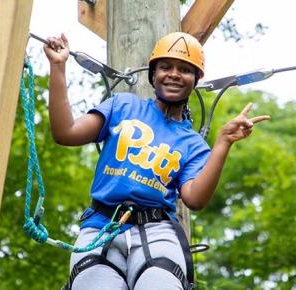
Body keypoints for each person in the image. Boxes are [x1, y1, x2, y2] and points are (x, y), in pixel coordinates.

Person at [43, 32, 270, 290]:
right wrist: (58, 67)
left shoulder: (193, 144)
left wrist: (223, 142)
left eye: (185, 69)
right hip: (101, 225)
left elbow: (195, 199)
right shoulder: (122, 106)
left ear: (195, 80)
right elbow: (66, 133)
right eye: (166, 67)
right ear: (153, 74)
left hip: (157, 231)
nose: (174, 74)